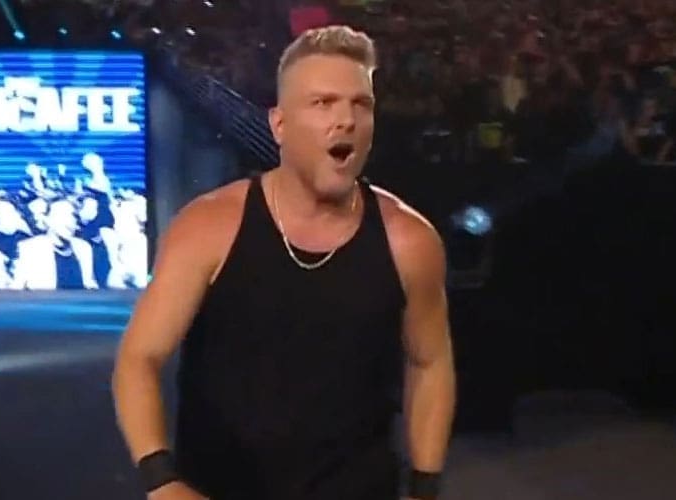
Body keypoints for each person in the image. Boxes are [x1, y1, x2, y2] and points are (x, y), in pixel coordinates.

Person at [112, 25, 456, 500]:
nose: (346, 120)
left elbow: (430, 361)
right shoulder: (209, 227)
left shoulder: (409, 241)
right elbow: (139, 358)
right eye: (323, 103)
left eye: (361, 104)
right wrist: (162, 480)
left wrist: (424, 487)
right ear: (278, 125)